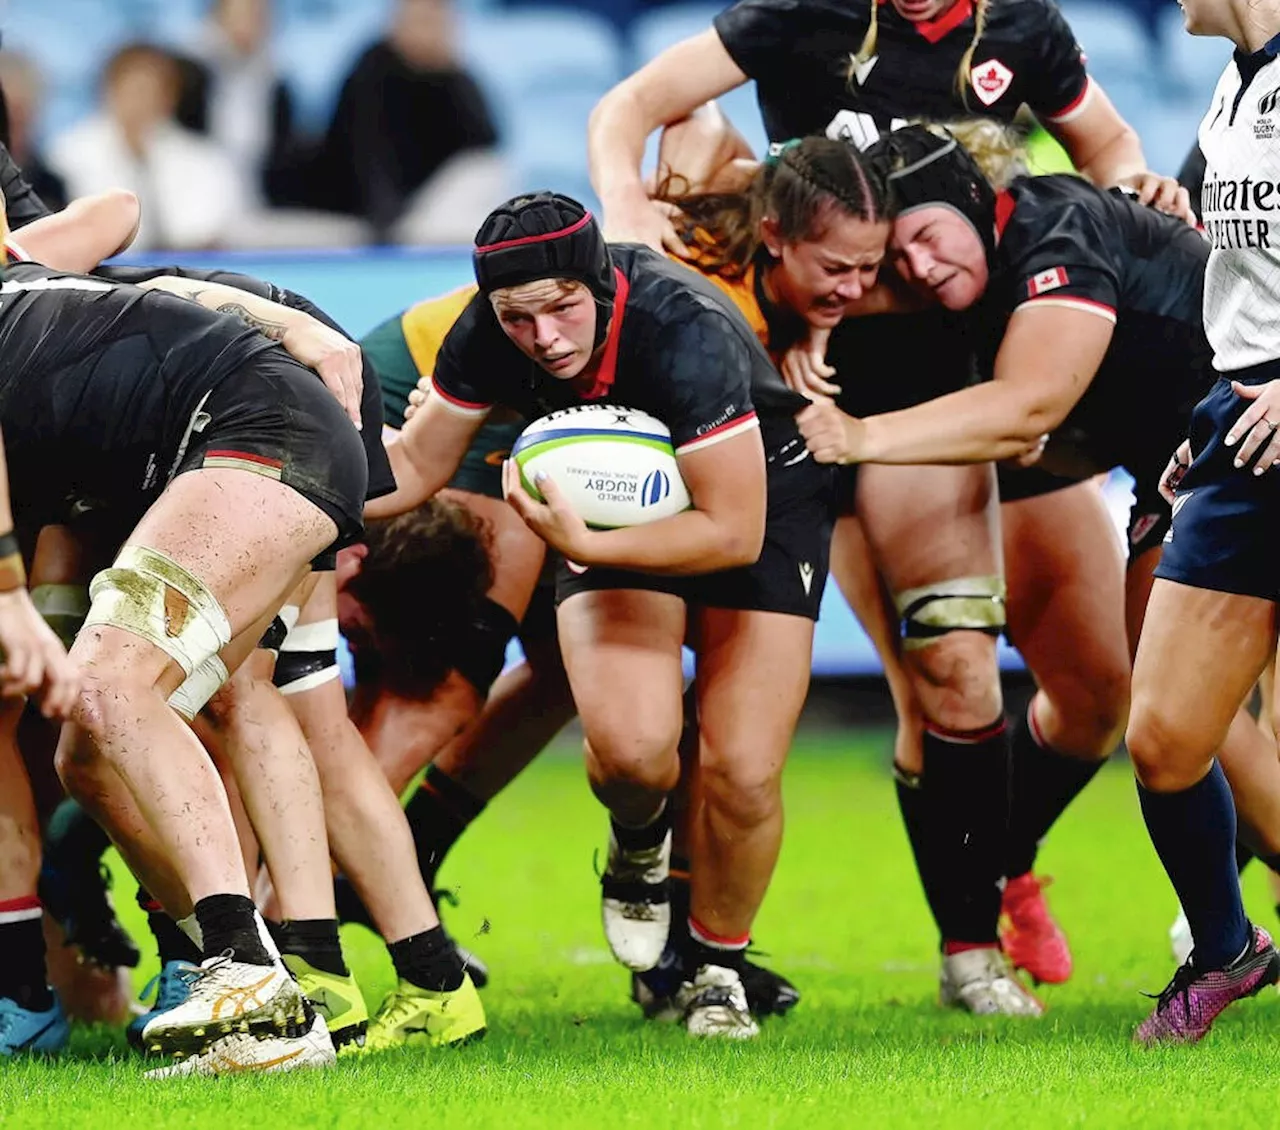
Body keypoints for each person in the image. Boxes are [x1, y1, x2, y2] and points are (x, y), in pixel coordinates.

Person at [587, 0, 1196, 1007]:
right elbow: (641, 111)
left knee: (1095, 694)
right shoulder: (798, 18)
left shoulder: (1021, 31)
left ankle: (999, 860)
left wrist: (1132, 178)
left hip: (1001, 381)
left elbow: (1107, 141)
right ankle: (965, 950)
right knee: (948, 676)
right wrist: (626, 205)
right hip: (853, 404)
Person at [792, 119, 1280, 1040]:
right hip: (1185, 467)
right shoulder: (966, 276)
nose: (920, 266)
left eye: (928, 237)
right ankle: (1209, 942)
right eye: (898, 254)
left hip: (1239, 446)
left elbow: (1033, 410)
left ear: (978, 204)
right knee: (1167, 722)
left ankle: (1205, 938)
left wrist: (861, 440)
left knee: (1179, 720)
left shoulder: (1057, 230)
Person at [372, 189, 841, 1036]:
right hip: (614, 509)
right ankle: (638, 843)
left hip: (764, 494)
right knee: (630, 756)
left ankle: (715, 970)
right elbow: (412, 469)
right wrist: (285, 487)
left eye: (561, 309)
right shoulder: (485, 333)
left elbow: (731, 533)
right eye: (519, 318)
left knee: (742, 768)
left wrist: (581, 540)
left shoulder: (681, 325)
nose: (544, 337)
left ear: (597, 281)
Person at [1118, 0, 1280, 1043]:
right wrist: (1208, 416)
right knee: (1163, 735)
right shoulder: (1232, 84)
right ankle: (1225, 947)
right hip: (1244, 428)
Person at [48, 43, 247, 250]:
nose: (140, 101)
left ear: (170, 97)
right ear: (109, 91)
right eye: (132, 89)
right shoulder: (69, 155)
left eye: (152, 91)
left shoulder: (204, 160)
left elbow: (212, 229)